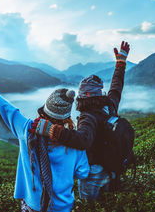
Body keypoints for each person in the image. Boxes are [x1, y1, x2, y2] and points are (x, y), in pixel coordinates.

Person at [0, 54, 89, 212]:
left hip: (33, 205)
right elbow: (82, 172)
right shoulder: (75, 143)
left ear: (44, 110)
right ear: (67, 117)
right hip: (62, 207)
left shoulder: (27, 129)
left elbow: (2, 104)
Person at [30, 41, 130, 200]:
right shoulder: (110, 104)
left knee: (89, 206)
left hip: (95, 171)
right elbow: (116, 88)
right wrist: (120, 63)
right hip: (112, 166)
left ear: (84, 96)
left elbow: (83, 140)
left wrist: (52, 130)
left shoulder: (88, 117)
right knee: (109, 201)